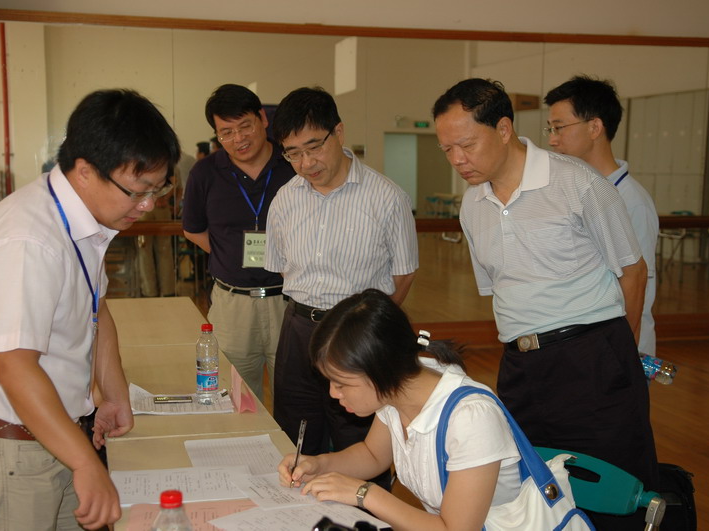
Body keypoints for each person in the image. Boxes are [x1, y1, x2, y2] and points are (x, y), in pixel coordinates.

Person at [0, 89, 181, 530]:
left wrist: (113, 392)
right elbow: (14, 368)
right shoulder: (28, 240)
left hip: (54, 437)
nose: (147, 206)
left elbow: (95, 309)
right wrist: (85, 463)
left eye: (157, 190)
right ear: (85, 171)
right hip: (9, 456)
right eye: (138, 191)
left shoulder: (82, 220)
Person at [432, 78, 658, 529]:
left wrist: (622, 359)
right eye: (447, 150)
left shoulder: (577, 182)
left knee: (612, 486)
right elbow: (499, 289)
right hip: (521, 367)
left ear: (503, 129)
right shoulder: (472, 205)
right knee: (535, 491)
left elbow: (633, 272)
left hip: (592, 357)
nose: (457, 159)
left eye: (467, 145)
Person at [265, 86, 419, 471]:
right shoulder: (285, 199)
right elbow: (284, 268)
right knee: (295, 437)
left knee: (360, 440)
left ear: (339, 132)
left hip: (357, 338)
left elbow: (403, 274)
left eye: (314, 146)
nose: (306, 162)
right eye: (293, 153)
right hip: (299, 330)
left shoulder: (387, 198)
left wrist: (362, 328)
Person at [279, 289, 521, 530]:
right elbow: (372, 455)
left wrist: (365, 493)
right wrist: (319, 465)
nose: (333, 393)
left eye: (342, 384)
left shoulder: (470, 419)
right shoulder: (397, 389)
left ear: (381, 371)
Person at [182, 84, 294, 401]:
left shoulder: (292, 165)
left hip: (289, 301)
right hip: (232, 306)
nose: (238, 139)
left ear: (263, 119)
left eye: (245, 126)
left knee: (294, 397)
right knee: (235, 401)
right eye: (226, 132)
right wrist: (227, 255)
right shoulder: (205, 173)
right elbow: (193, 230)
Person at [545, 75, 660, 355]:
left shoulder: (632, 201)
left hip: (616, 348)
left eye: (559, 128)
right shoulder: (573, 191)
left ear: (595, 127)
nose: (552, 140)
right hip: (581, 344)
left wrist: (621, 354)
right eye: (549, 128)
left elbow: (637, 287)